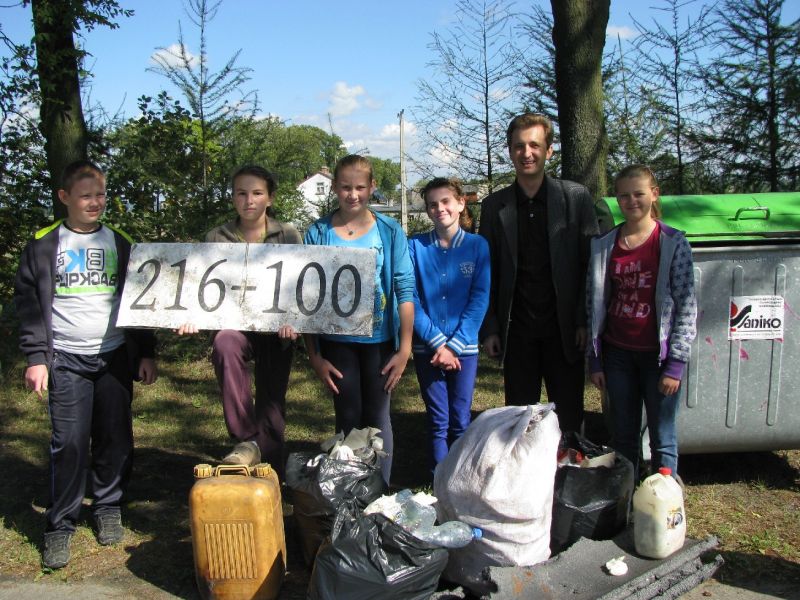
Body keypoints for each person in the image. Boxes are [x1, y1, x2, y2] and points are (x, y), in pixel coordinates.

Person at [14, 160, 158, 570]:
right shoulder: (44, 244)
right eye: (86, 196)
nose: (95, 202)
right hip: (65, 359)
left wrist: (146, 352)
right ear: (64, 197)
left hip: (114, 357)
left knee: (115, 437)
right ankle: (60, 524)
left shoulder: (120, 242)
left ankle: (108, 505)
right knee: (70, 443)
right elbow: (29, 305)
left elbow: (142, 300)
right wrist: (37, 358)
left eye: (101, 195)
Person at [479, 113, 611, 432]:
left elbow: (590, 266)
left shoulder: (575, 198)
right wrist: (491, 326)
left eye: (535, 145)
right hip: (517, 332)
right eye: (519, 146)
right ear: (510, 151)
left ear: (549, 150)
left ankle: (568, 464)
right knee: (519, 422)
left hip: (563, 331)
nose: (527, 153)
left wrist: (583, 320)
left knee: (568, 420)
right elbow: (487, 271)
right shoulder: (494, 206)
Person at [178, 166, 301, 479]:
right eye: (241, 193)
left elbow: (300, 285)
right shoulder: (215, 237)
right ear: (233, 197)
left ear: (270, 198)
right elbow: (201, 285)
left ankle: (271, 475)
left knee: (272, 404)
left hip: (276, 331)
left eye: (257, 193)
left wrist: (294, 320)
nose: (249, 200)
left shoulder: (288, 234)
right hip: (235, 325)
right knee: (225, 343)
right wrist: (191, 316)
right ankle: (246, 439)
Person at [303, 154, 414, 485]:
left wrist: (405, 348)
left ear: (372, 187)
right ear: (334, 187)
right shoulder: (319, 232)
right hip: (336, 343)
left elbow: (405, 289)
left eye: (360, 187)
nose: (353, 195)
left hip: (380, 341)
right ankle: (351, 492)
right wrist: (314, 355)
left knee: (378, 419)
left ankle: (380, 491)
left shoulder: (389, 231)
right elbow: (305, 299)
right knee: (348, 417)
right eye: (345, 187)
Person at [586, 164, 697, 480]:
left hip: (658, 360)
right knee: (623, 435)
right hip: (617, 355)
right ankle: (627, 497)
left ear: (654, 194)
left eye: (638, 194)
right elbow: (593, 303)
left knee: (663, 436)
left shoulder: (672, 243)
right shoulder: (604, 245)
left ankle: (664, 501)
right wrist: (595, 360)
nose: (631, 201)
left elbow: (687, 306)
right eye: (624, 196)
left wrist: (676, 364)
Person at [409, 178, 490, 476]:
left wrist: (453, 347)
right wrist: (436, 342)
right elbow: (410, 298)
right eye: (433, 204)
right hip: (427, 349)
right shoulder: (415, 246)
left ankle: (460, 481)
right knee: (437, 420)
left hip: (464, 349)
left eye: (445, 201)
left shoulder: (477, 246)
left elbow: (479, 299)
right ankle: (439, 481)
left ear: (460, 203)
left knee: (460, 419)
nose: (440, 208)